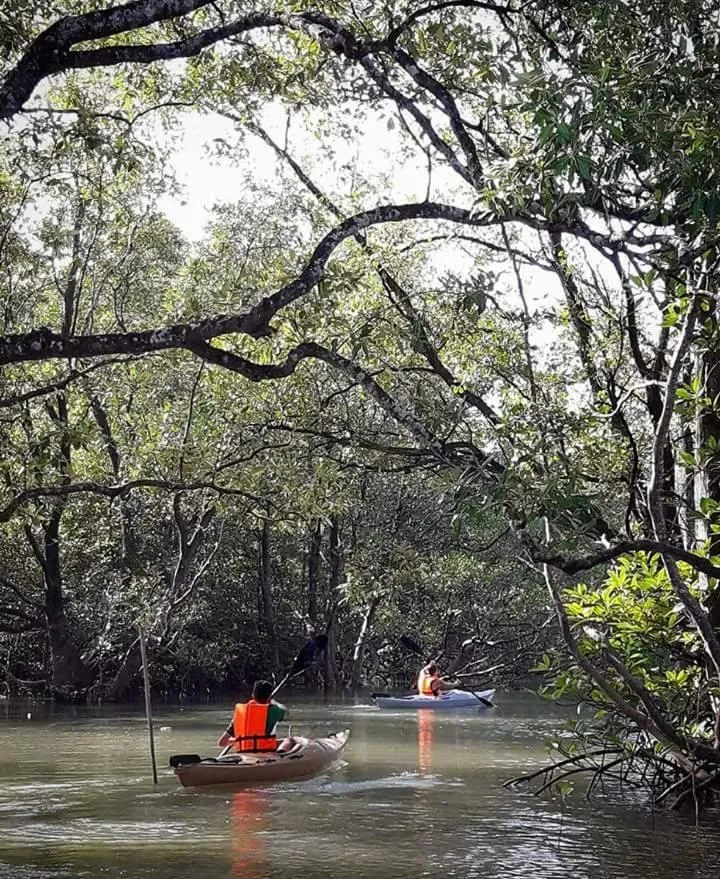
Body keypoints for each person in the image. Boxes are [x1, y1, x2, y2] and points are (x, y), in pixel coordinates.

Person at [217, 679, 290, 752]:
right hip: (266, 754)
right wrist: (273, 701)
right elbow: (286, 712)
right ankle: (281, 756)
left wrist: (238, 740)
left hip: (245, 755)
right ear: (269, 697)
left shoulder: (241, 713)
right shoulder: (272, 710)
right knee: (291, 740)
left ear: (252, 695)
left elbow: (222, 742)